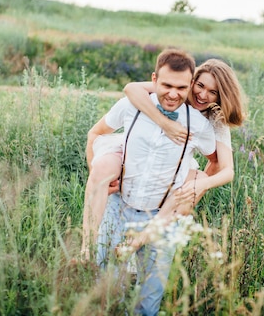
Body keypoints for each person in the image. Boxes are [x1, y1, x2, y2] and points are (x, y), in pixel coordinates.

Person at [86, 48, 217, 315]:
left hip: (161, 217)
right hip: (118, 207)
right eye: (166, 84)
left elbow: (215, 164)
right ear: (154, 79)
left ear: (190, 86)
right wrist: (101, 174)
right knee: (108, 292)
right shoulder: (129, 106)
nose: (172, 93)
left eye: (181, 87)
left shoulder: (199, 126)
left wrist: (192, 190)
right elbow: (96, 133)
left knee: (149, 300)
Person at [81, 58, 245, 258]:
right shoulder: (176, 91)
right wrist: (165, 123)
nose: (202, 95)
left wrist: (196, 187)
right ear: (192, 82)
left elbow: (224, 167)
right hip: (136, 152)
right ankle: (87, 248)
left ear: (222, 96)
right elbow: (131, 88)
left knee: (196, 181)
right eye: (200, 86)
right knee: (105, 168)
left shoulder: (215, 121)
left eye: (213, 92)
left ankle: (137, 243)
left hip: (171, 168)